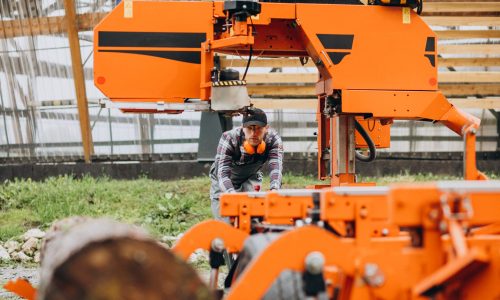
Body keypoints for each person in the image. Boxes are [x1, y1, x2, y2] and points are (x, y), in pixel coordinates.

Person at [209, 108, 284, 221]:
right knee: (226, 220)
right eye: (250, 128)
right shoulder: (229, 138)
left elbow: (276, 169)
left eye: (259, 129)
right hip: (223, 181)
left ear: (266, 128)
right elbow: (223, 174)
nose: (254, 134)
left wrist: (274, 190)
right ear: (243, 128)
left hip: (250, 177)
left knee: (252, 218)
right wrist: (231, 195)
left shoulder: (273, 140)